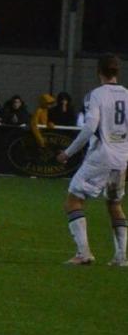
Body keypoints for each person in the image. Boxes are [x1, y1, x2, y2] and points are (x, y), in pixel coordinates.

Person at [57, 55, 128, 266]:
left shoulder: (95, 95)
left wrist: (67, 152)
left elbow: (89, 127)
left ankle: (83, 253)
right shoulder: (127, 94)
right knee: (115, 204)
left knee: (73, 201)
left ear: (99, 72)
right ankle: (121, 256)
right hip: (122, 157)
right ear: (117, 72)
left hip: (102, 155)